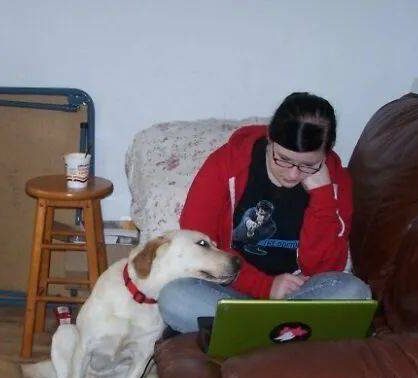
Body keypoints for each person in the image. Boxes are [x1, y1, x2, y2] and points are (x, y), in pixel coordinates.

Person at [159, 92, 371, 334]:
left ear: (326, 153)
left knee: (355, 292)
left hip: (299, 295)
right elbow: (198, 243)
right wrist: (265, 287)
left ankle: (250, 333)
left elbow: (325, 269)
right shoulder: (226, 163)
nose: (293, 174)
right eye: (283, 159)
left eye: (308, 165)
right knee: (175, 297)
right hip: (231, 292)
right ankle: (285, 333)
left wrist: (322, 197)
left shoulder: (336, 181)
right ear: (270, 138)